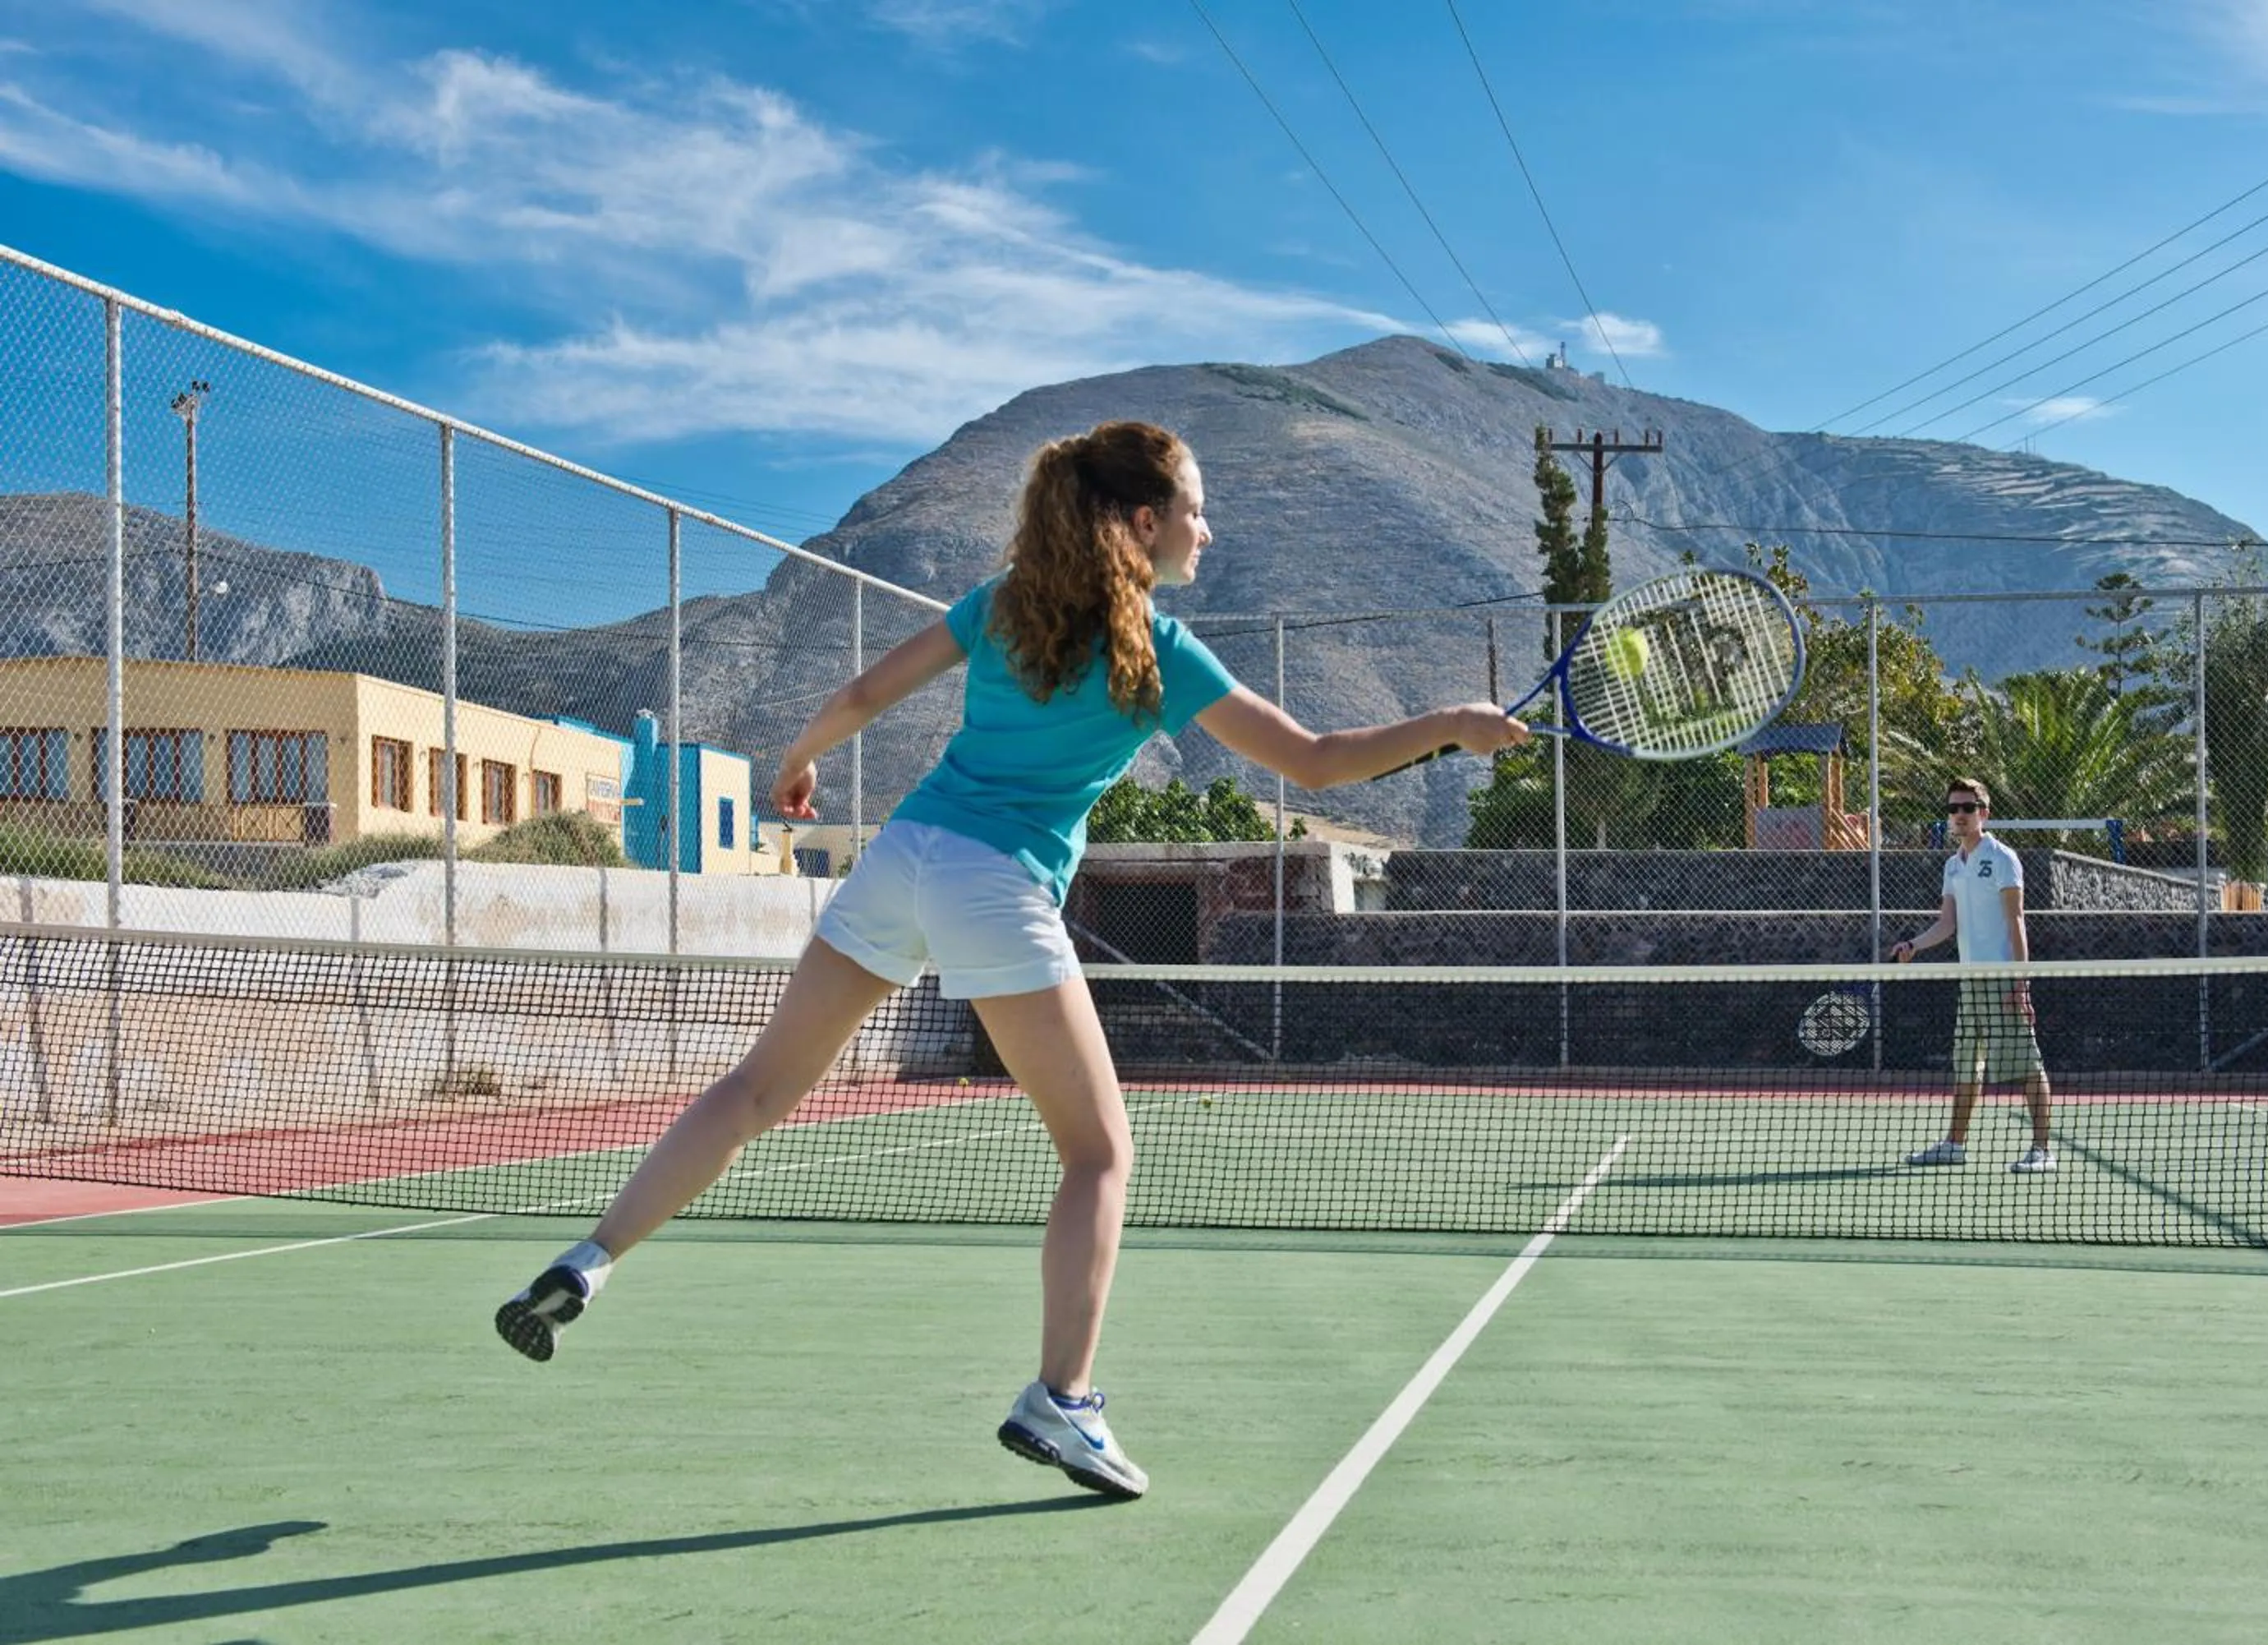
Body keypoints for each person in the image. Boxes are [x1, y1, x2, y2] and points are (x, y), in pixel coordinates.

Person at [490, 420, 1529, 1500]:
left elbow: (862, 696)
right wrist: (1451, 723)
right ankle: (1063, 1398)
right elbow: (1315, 761)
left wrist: (798, 761)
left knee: (756, 1087)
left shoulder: (1001, 604)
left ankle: (591, 1258)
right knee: (1100, 1154)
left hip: (901, 856)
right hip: (993, 883)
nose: (1207, 530)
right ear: (1145, 522)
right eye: (1196, 509)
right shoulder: (1162, 653)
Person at [1889, 777, 2057, 1173]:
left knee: (2027, 1065)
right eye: (1953, 809)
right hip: (1970, 983)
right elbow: (1947, 924)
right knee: (1967, 1065)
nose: (1960, 815)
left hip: (2002, 981)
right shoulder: (1952, 866)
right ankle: (1954, 1144)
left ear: (1984, 813)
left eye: (1968, 808)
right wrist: (1914, 945)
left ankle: (2042, 1150)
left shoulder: (2002, 858)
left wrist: (2021, 983)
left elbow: (2016, 922)